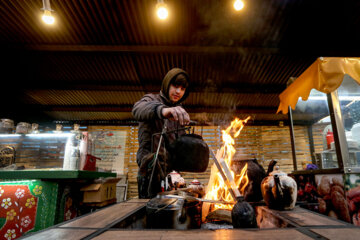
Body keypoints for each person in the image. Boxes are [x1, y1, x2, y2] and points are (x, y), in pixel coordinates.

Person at [132, 68, 191, 198]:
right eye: (175, 86)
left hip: (171, 176)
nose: (178, 91)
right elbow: (137, 109)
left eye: (182, 88)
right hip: (149, 172)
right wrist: (162, 111)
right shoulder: (151, 99)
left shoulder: (179, 111)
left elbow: (179, 146)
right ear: (167, 83)